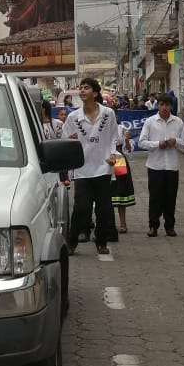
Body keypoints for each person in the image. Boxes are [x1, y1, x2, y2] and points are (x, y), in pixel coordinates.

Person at [61, 76, 119, 255]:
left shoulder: (108, 114)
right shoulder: (73, 117)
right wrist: (69, 140)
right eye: (81, 87)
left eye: (86, 87)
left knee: (104, 209)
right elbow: (64, 138)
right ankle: (71, 242)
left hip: (103, 168)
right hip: (82, 169)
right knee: (81, 208)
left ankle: (101, 242)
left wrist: (112, 153)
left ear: (94, 93)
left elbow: (113, 137)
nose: (82, 90)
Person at [137, 94, 184, 237]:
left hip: (172, 166)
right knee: (155, 197)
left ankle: (169, 226)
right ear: (157, 106)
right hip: (155, 166)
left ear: (171, 106)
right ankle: (153, 225)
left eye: (167, 105)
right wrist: (157, 144)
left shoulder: (178, 122)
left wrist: (175, 141)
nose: (165, 108)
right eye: (162, 105)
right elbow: (141, 142)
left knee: (170, 197)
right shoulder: (150, 122)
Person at [110, 123, 136, 232]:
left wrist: (126, 140)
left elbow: (128, 150)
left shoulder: (121, 129)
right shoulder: (99, 127)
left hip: (119, 161)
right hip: (104, 161)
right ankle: (108, 224)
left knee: (120, 192)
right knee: (105, 193)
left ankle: (123, 223)